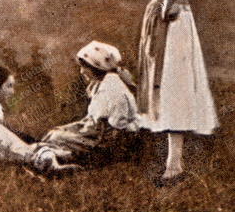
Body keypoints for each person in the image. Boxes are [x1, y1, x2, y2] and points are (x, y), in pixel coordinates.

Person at [138, 0, 218, 185]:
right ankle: (173, 163)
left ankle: (174, 166)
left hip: (173, 28)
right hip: (173, 27)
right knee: (169, 88)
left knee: (173, 88)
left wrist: (163, 10)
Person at [31, 41, 155, 170]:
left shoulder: (112, 89)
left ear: (97, 68)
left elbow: (118, 126)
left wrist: (80, 134)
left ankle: (50, 159)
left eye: (85, 67)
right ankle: (51, 158)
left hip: (107, 143)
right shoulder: (100, 84)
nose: (82, 71)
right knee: (54, 134)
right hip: (97, 135)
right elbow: (92, 119)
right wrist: (71, 129)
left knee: (56, 137)